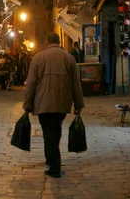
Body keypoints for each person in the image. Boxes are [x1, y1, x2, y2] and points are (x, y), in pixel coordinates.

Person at [23, 32, 85, 178]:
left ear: (47, 42)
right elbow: (76, 83)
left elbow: (31, 83)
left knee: (48, 132)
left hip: (43, 102)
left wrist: (27, 103)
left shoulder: (38, 58)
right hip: (63, 102)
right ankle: (52, 158)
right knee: (56, 130)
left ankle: (54, 165)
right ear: (59, 42)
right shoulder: (69, 58)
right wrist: (78, 103)